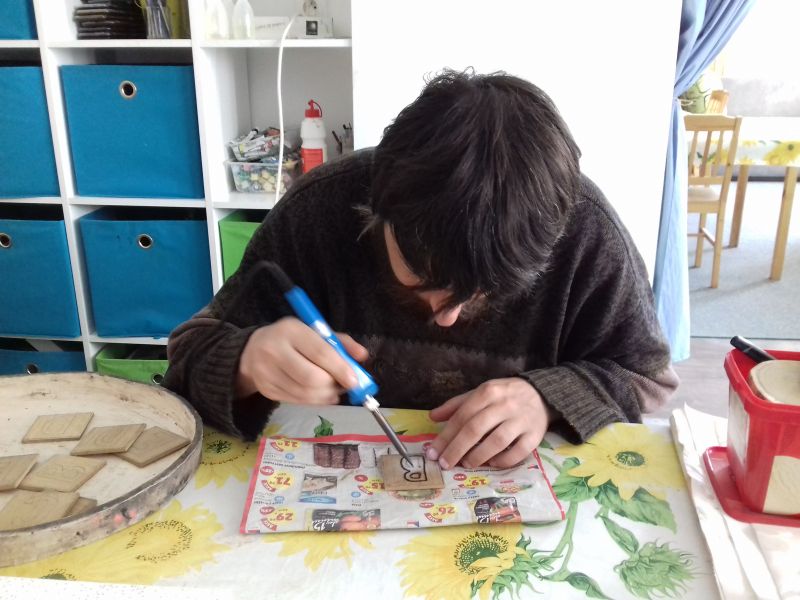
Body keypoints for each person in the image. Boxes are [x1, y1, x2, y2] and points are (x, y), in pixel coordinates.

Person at [163, 68, 678, 471]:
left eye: (482, 292)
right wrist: (246, 363)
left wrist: (548, 398)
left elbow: (646, 377)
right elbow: (186, 361)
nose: (448, 318)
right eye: (428, 281)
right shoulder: (320, 210)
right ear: (377, 210)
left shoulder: (582, 230)